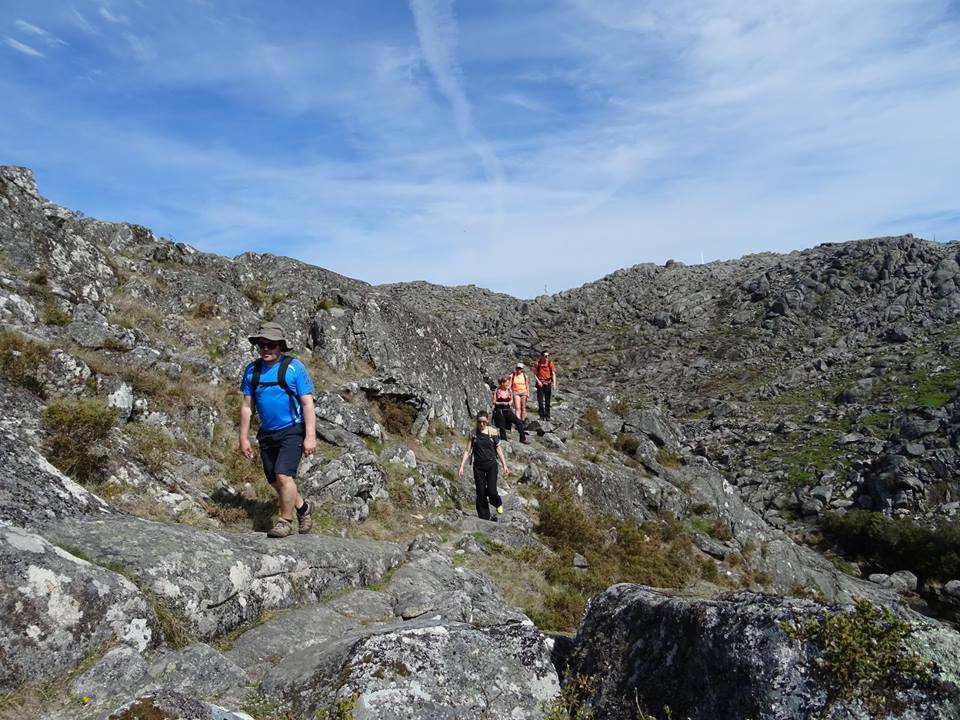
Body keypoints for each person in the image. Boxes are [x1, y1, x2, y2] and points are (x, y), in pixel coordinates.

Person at [239, 321, 317, 538]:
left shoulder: (294, 368)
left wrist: (310, 436)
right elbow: (247, 407)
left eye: (271, 345)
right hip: (267, 432)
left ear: (280, 346)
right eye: (261, 345)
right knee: (275, 480)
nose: (266, 349)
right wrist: (243, 438)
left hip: (292, 429)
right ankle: (303, 508)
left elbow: (308, 403)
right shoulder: (252, 370)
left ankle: (285, 521)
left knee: (283, 476)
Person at [458, 410, 510, 521]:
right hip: (478, 467)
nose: (481, 424)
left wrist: (504, 465)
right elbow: (467, 450)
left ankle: (497, 502)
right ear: (477, 421)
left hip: (491, 465)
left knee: (491, 491)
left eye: (484, 422)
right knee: (480, 493)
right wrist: (462, 466)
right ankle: (484, 517)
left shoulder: (493, 432)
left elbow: (498, 449)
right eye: (479, 422)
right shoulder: (473, 434)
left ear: (487, 421)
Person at [492, 376, 529, 444]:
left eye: (508, 383)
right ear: (502, 383)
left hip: (508, 410)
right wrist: (502, 403)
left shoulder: (509, 390)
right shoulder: (497, 390)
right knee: (502, 427)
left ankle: (523, 438)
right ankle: (504, 441)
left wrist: (510, 402)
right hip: (500, 410)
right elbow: (494, 402)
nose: (508, 384)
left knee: (518, 422)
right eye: (506, 383)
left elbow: (511, 399)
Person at [534, 350, 558, 421]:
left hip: (548, 383)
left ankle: (547, 416)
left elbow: (553, 374)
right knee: (540, 401)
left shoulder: (550, 363)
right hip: (540, 383)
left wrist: (554, 384)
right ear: (542, 356)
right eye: (545, 356)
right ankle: (541, 415)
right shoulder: (537, 363)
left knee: (547, 401)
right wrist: (538, 381)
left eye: (548, 356)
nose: (547, 357)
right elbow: (535, 374)